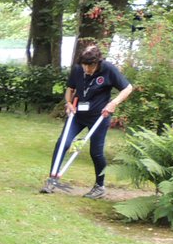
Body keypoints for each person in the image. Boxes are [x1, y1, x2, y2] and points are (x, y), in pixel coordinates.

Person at [40, 43, 133, 198]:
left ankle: (99, 187)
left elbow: (128, 88)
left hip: (99, 116)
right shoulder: (78, 69)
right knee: (63, 142)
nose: (87, 70)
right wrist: (68, 103)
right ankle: (52, 179)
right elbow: (70, 89)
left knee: (96, 152)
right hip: (77, 115)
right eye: (84, 66)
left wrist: (113, 103)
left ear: (97, 63)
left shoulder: (108, 69)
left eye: (90, 67)